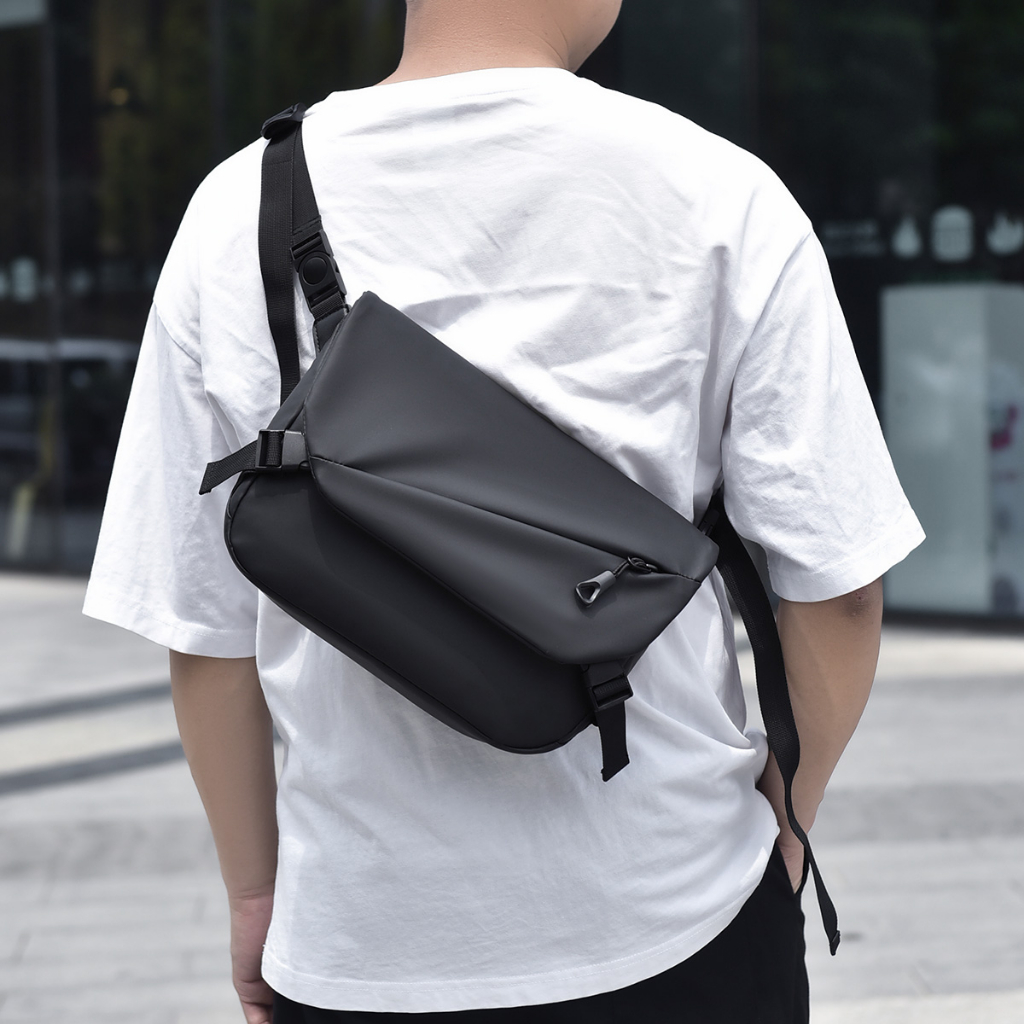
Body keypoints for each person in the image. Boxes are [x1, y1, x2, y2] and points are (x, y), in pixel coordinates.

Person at [83, 1, 925, 1021]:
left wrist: (257, 899)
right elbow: (839, 593)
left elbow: (207, 637)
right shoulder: (722, 195)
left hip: (360, 944)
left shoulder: (237, 209)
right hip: (677, 912)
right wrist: (788, 819)